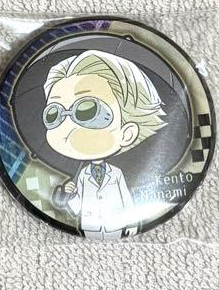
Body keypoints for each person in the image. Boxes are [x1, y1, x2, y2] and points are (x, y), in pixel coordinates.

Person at [44, 50, 166, 239]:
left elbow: (125, 199)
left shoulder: (116, 174)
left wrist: (132, 222)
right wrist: (68, 197)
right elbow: (78, 205)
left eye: (87, 110)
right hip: (88, 226)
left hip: (115, 225)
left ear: (127, 133)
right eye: (54, 114)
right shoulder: (82, 175)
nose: (67, 124)